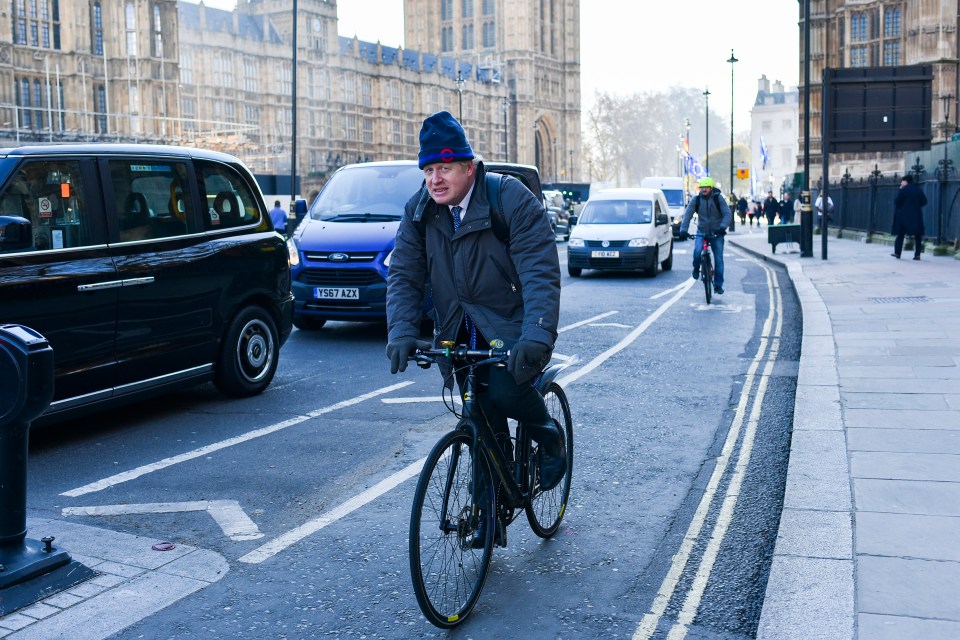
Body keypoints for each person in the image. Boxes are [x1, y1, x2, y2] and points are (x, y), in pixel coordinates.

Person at [385, 111, 566, 519]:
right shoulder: (419, 211)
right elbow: (404, 275)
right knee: (477, 414)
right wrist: (401, 331)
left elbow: (539, 270)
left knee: (502, 391)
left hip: (511, 323)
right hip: (458, 331)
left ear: (469, 167)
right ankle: (488, 511)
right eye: (428, 169)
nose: (435, 178)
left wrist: (537, 333)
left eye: (444, 167)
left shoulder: (509, 198)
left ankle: (549, 438)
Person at [678, 176, 732, 295]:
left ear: (711, 188)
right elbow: (688, 215)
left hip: (717, 232)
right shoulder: (696, 200)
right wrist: (683, 230)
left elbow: (727, 213)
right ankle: (696, 267)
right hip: (702, 231)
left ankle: (718, 284)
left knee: (718, 259)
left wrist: (723, 227)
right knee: (697, 251)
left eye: (706, 187)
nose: (704, 190)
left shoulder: (718, 198)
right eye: (702, 187)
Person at [891, 174, 927, 260]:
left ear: (905, 181)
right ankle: (917, 255)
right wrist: (916, 206)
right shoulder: (918, 190)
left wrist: (900, 190)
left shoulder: (903, 190)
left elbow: (897, 202)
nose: (901, 183)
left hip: (903, 216)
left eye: (902, 181)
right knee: (918, 235)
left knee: (900, 234)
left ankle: (897, 253)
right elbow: (924, 201)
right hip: (916, 215)